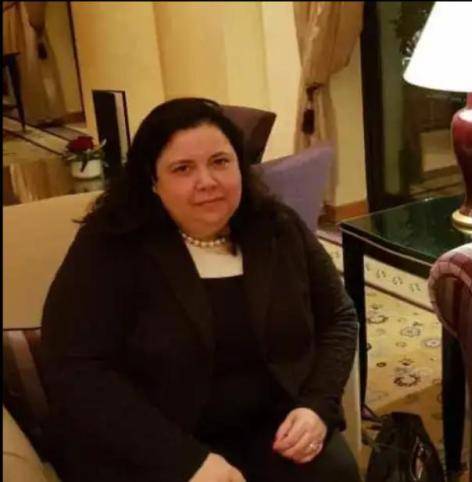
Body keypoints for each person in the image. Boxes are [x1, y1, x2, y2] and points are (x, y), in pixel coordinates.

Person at [41, 98, 361, 482]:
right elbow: (74, 368)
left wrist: (317, 407)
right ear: (152, 181)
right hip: (154, 439)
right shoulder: (110, 246)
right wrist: (184, 461)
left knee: (336, 472)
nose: (207, 181)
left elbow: (339, 317)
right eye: (182, 168)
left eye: (220, 162)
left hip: (274, 427)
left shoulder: (278, 227)